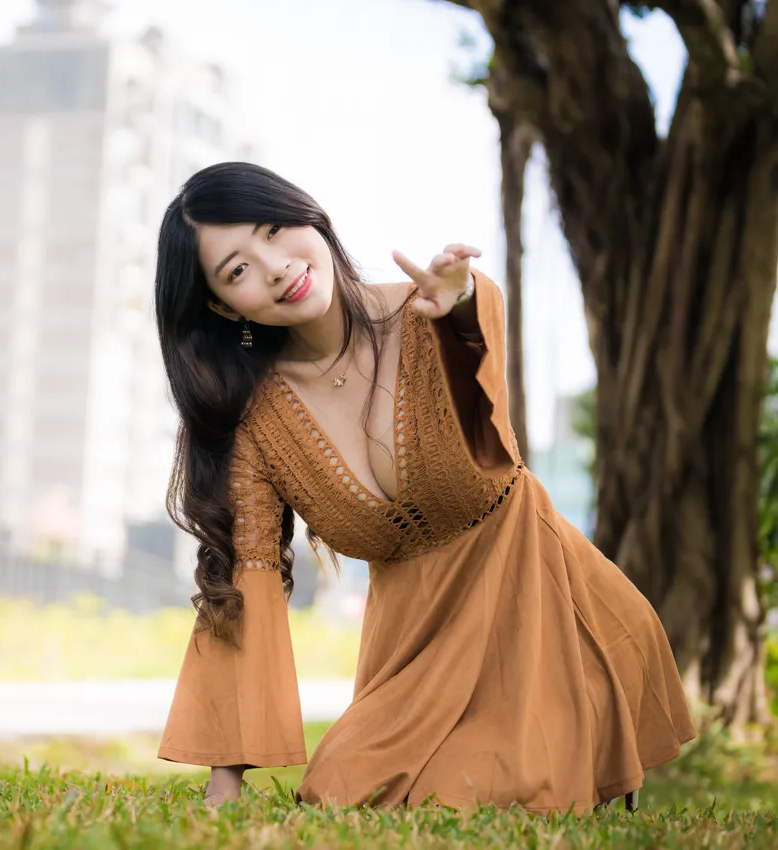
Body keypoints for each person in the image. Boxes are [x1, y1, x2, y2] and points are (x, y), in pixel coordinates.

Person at [152, 162, 696, 814]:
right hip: (408, 674)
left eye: (275, 230)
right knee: (338, 792)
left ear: (310, 215)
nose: (273, 266)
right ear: (220, 305)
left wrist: (459, 317)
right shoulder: (257, 424)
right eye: (236, 270)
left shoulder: (437, 310)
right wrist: (225, 781)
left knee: (489, 790)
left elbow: (491, 442)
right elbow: (248, 579)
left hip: (543, 615)